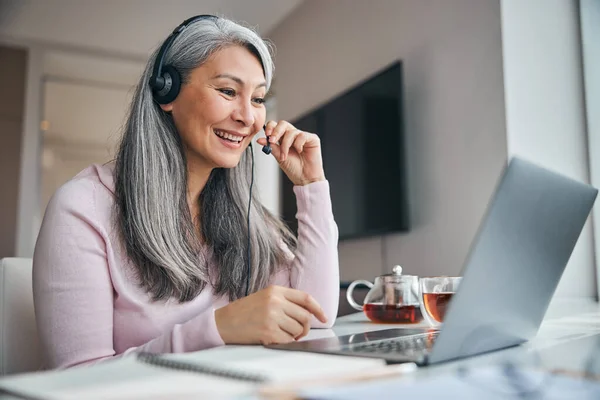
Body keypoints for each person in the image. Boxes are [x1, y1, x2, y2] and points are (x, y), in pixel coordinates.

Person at [32, 15, 340, 369]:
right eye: (228, 91)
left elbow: (315, 316)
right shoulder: (83, 208)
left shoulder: (247, 218)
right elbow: (76, 379)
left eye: (257, 98)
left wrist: (311, 185)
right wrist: (218, 329)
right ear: (168, 92)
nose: (248, 117)